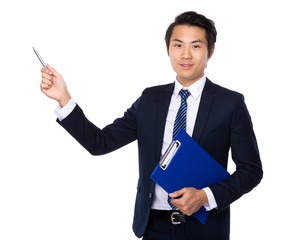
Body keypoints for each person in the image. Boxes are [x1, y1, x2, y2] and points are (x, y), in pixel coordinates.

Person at [40, 11, 263, 240]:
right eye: (178, 45)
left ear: (211, 51)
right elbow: (100, 143)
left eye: (196, 46)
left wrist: (206, 196)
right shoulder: (150, 100)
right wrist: (64, 98)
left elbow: (251, 170)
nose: (185, 54)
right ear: (168, 49)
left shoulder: (230, 103)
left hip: (204, 230)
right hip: (154, 228)